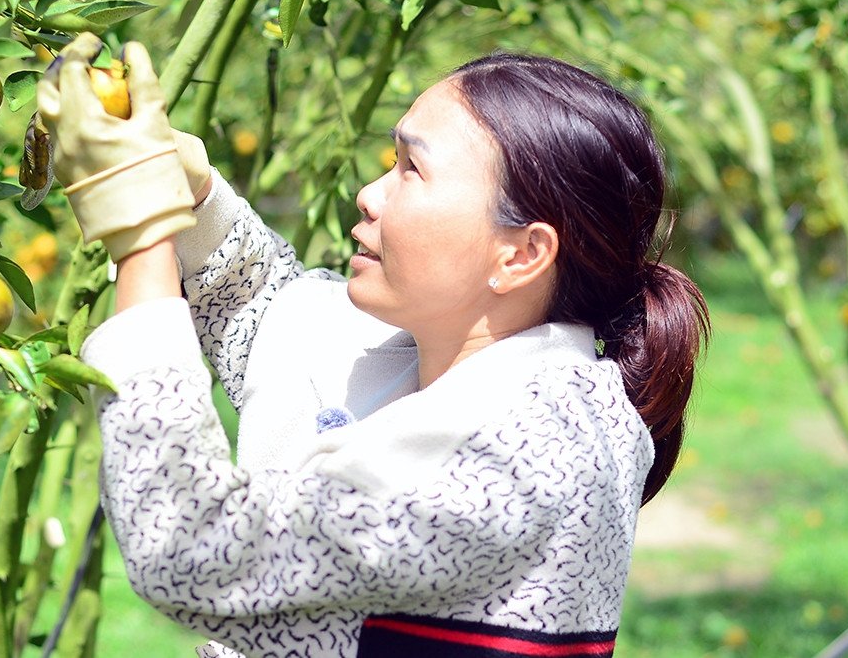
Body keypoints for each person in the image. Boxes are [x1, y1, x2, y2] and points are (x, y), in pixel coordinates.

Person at [38, 35, 710, 658]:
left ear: (522, 253)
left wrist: (142, 230)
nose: (369, 194)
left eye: (411, 169)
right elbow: (268, 314)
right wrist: (191, 190)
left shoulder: (522, 455)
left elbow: (195, 544)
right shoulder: (451, 362)